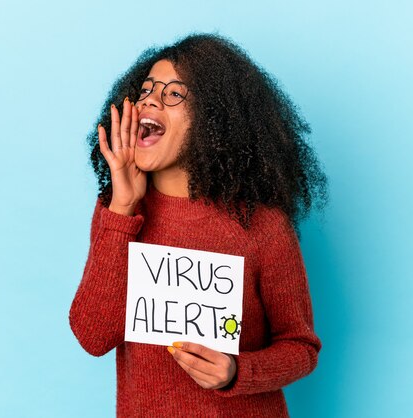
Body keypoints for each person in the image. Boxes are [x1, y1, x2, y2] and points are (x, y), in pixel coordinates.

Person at [69, 32, 328, 417]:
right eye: (146, 90)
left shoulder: (261, 225)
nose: (150, 100)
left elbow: (300, 347)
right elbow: (93, 336)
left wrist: (237, 371)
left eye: (174, 94)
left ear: (213, 119)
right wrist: (123, 209)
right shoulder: (117, 212)